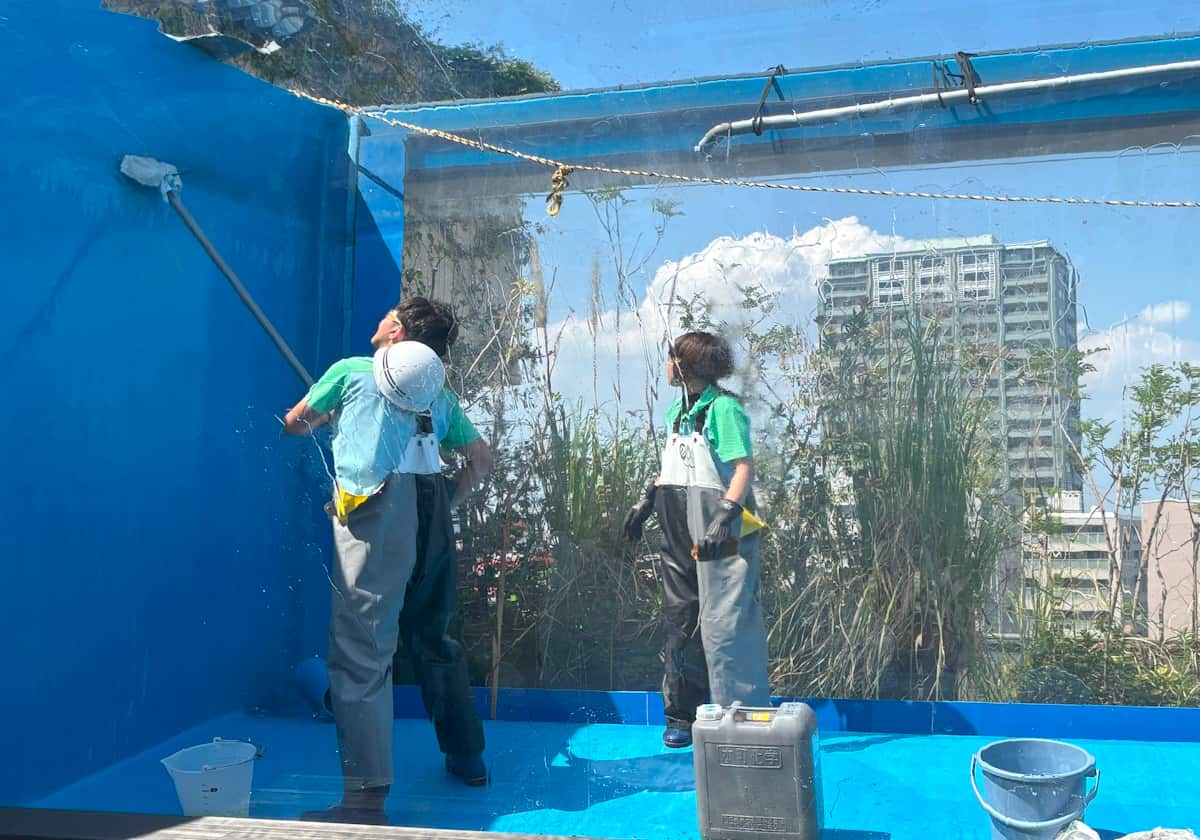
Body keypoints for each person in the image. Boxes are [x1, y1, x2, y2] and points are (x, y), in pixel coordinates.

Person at [283, 297, 491, 824]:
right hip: (431, 510)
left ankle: (364, 802)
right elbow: (480, 458)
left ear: (396, 330)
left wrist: (322, 413)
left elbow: (295, 424)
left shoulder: (352, 371)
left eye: (386, 316)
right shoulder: (437, 392)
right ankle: (467, 758)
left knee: (361, 653)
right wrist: (448, 503)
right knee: (433, 638)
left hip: (377, 514)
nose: (379, 320)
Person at [622, 331, 770, 748]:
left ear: (687, 365)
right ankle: (683, 714)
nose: (667, 365)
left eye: (671, 358)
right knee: (682, 616)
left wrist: (727, 512)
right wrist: (646, 500)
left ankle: (738, 713)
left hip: (718, 524)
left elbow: (743, 467)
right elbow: (673, 466)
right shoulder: (678, 411)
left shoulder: (724, 409)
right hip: (676, 519)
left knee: (725, 619)